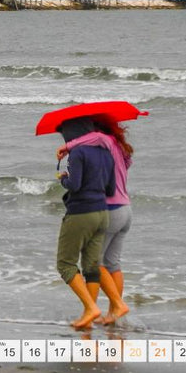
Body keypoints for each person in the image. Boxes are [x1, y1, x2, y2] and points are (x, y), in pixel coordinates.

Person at [57, 118, 134, 324]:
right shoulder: (119, 148)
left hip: (110, 208)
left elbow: (96, 137)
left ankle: (100, 308)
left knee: (95, 263)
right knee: (112, 263)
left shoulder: (104, 141)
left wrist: (68, 146)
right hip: (126, 207)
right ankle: (113, 313)